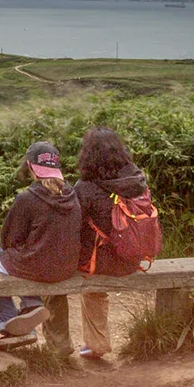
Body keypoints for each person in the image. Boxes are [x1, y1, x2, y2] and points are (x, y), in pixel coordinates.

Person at [44, 126, 153, 359]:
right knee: (95, 273)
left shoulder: (86, 188)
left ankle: (65, 346)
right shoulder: (137, 182)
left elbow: (72, 228)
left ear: (88, 155)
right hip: (132, 260)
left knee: (52, 276)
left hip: (99, 263)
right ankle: (95, 345)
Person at [0, 141, 81, 342]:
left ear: (31, 167)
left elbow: (8, 240)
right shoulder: (73, 196)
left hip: (36, 265)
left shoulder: (27, 198)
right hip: (65, 267)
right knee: (13, 260)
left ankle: (11, 322)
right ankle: (30, 306)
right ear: (57, 169)